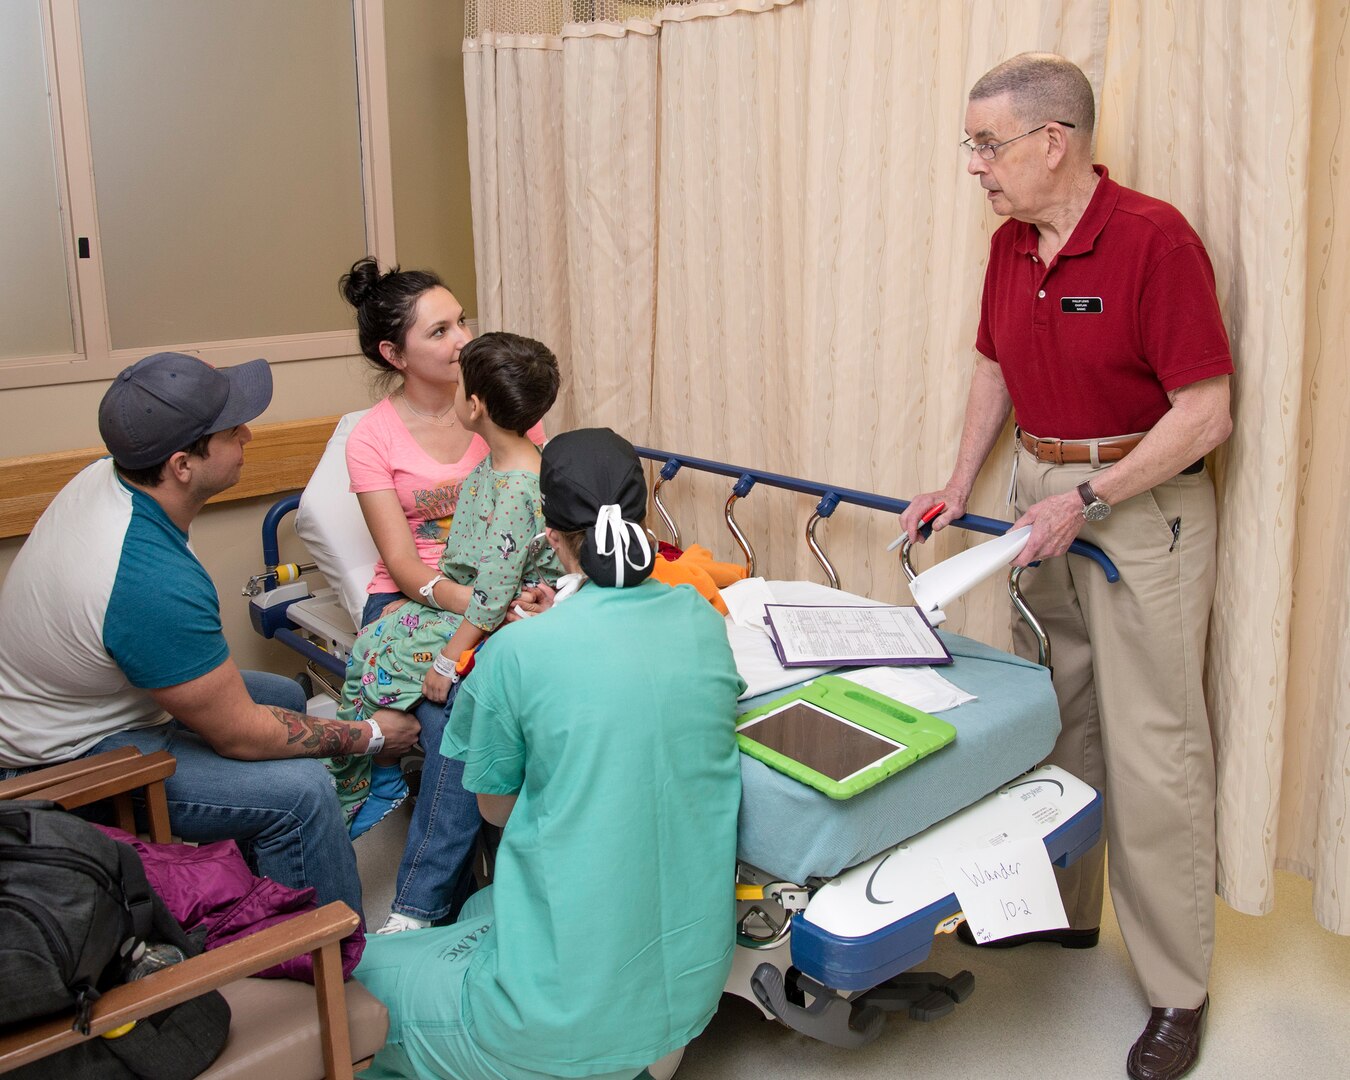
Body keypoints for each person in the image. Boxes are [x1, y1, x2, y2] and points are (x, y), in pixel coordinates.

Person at [899, 54, 1232, 1080]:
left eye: (987, 145)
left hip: (1137, 509)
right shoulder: (1010, 244)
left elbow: (1206, 412)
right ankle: (1063, 915)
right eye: (972, 145)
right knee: (1062, 719)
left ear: (1055, 141)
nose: (975, 167)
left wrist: (1086, 500)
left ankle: (1179, 990)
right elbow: (995, 362)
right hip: (1039, 501)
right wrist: (960, 484)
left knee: (1153, 747)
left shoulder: (1151, 239)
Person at [355, 427, 743, 1080]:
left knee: (356, 981)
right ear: (642, 516)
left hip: (557, 1024)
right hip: (692, 989)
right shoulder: (701, 617)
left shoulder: (515, 654)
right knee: (483, 907)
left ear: (550, 534)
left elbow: (497, 812)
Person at [0, 352, 420, 917]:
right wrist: (371, 735)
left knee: (286, 695)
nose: (248, 434)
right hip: (61, 762)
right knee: (303, 794)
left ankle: (253, 894)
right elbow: (240, 736)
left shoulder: (117, 477)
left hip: (90, 702)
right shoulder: (147, 579)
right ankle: (330, 964)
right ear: (181, 464)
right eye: (230, 430)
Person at [339, 258, 546, 934]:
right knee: (467, 714)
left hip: (498, 591)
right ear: (393, 353)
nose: (463, 338)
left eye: (462, 320)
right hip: (415, 598)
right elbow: (401, 565)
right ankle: (424, 907)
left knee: (481, 715)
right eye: (440, 330)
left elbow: (535, 525)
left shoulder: (501, 408)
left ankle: (468, 899)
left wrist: (524, 596)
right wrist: (488, 610)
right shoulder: (372, 437)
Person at [329, 332, 563, 838]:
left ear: (474, 406)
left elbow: (495, 594)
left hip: (487, 616)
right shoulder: (501, 459)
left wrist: (446, 660)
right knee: (368, 645)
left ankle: (359, 786)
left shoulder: (517, 486)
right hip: (467, 599)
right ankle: (384, 771)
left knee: (381, 664)